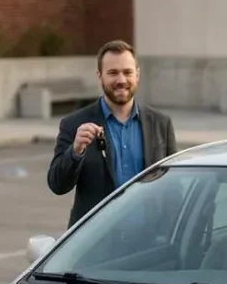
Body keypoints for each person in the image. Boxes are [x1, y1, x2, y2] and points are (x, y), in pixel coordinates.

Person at [46, 40, 179, 228]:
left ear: (137, 74)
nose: (121, 80)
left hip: (149, 238)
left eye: (127, 72)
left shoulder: (161, 124)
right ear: (99, 76)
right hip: (95, 240)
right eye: (113, 73)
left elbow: (173, 187)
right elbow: (57, 185)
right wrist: (75, 152)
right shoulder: (74, 124)